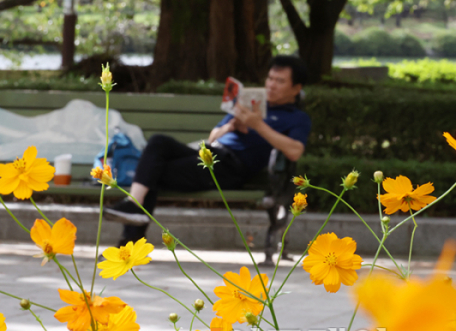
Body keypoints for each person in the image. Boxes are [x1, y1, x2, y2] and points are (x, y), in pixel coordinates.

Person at [103, 56, 312, 246]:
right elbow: (213, 137)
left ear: (296, 88)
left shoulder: (296, 118)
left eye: (280, 81)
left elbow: (294, 151)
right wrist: (231, 126)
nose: (272, 85)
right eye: (270, 79)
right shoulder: (252, 105)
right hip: (209, 153)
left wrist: (258, 126)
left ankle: (129, 238)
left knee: (151, 172)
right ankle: (133, 207)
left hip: (231, 168)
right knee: (158, 142)